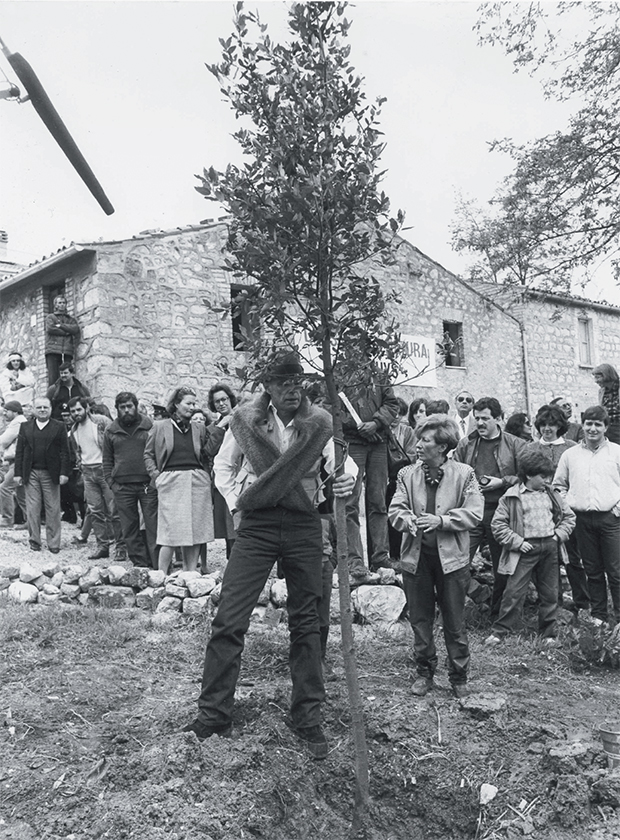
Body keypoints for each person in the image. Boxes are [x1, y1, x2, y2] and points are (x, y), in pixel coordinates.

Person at [184, 354, 357, 758]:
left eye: (298, 381)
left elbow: (340, 466)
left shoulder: (319, 424)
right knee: (229, 617)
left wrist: (345, 481)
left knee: (308, 621)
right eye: (284, 382)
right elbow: (222, 468)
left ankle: (308, 718)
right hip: (257, 525)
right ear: (269, 386)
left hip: (302, 524)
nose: (293, 389)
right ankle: (213, 716)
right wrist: (238, 508)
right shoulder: (244, 421)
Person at [388, 414, 483, 698]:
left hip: (452, 561)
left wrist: (441, 521)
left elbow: (475, 512)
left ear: (442, 446)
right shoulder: (407, 474)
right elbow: (395, 508)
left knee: (454, 620)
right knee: (420, 619)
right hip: (416, 560)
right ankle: (424, 672)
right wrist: (409, 520)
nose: (418, 445)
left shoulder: (465, 474)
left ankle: (459, 676)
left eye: (425, 440)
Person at [485, 449, 575, 646]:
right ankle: (500, 631)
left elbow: (569, 517)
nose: (546, 480)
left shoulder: (552, 494)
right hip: (524, 550)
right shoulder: (511, 496)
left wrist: (558, 536)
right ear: (528, 475)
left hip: (550, 547)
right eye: (542, 476)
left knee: (550, 592)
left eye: (548, 476)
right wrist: (517, 542)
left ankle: (549, 634)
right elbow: (498, 525)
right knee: (514, 592)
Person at [453, 397, 528, 620]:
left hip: (503, 514)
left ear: (498, 419)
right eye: (477, 418)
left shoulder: (516, 445)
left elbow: (526, 477)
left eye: (485, 418)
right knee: (456, 565)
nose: (480, 423)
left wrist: (502, 482)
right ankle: (478, 597)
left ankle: (498, 618)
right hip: (472, 512)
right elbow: (455, 474)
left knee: (503, 569)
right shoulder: (466, 444)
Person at [553, 405, 620, 624]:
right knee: (592, 570)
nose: (592, 429)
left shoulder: (617, 452)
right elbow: (558, 485)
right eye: (589, 424)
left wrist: (616, 511)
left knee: (616, 571)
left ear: (605, 427)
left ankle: (619, 616)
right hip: (581, 521)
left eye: (597, 424)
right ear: (582, 426)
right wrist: (568, 507)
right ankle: (599, 615)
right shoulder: (570, 455)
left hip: (611, 520)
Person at [144, 386, 214, 574]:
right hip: (171, 480)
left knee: (195, 530)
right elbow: (148, 455)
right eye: (188, 403)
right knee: (170, 531)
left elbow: (206, 455)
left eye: (194, 403)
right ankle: (161, 575)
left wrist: (206, 476)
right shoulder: (159, 426)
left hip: (197, 480)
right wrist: (156, 476)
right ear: (176, 404)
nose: (192, 407)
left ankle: (190, 573)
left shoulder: (198, 428)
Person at [531, 404, 590, 612]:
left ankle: (582, 601)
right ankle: (552, 602)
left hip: (567, 510)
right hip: (539, 511)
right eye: (544, 425)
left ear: (560, 426)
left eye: (552, 425)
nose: (547, 429)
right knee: (547, 559)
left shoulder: (572, 448)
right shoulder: (530, 449)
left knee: (573, 556)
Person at [341, 375, 399, 577]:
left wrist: (375, 423)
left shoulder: (379, 375)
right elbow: (331, 407)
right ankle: (354, 560)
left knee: (378, 502)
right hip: (351, 443)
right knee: (349, 502)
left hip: (378, 443)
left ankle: (380, 557)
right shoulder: (339, 373)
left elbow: (391, 404)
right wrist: (357, 426)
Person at [103, 392, 158, 568]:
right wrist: (112, 483)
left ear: (135, 406)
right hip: (122, 487)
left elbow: (157, 453)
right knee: (129, 528)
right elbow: (107, 460)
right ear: (117, 409)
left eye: (129, 406)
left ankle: (157, 564)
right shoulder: (111, 430)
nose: (126, 410)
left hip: (147, 485)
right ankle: (140, 564)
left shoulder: (149, 426)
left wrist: (155, 479)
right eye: (122, 407)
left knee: (153, 526)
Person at [68, 396, 126, 562]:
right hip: (88, 471)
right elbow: (77, 450)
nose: (76, 413)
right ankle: (102, 546)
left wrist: (116, 465)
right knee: (95, 511)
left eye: (79, 409)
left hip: (105, 469)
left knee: (114, 510)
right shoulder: (73, 429)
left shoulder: (101, 422)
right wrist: (81, 465)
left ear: (86, 408)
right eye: (73, 411)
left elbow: (117, 440)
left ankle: (121, 547)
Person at [14, 396, 70, 553]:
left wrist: (64, 473)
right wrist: (18, 473)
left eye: (45, 407)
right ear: (33, 409)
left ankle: (53, 543)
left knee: (53, 508)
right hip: (30, 472)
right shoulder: (25, 427)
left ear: (51, 409)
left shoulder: (59, 427)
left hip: (51, 473)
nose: (42, 410)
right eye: (39, 407)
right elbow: (19, 452)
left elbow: (65, 452)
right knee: (33, 507)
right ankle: (35, 540)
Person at [206, 382, 238, 559]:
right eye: (217, 401)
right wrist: (220, 427)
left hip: (243, 478)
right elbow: (209, 450)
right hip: (223, 481)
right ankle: (232, 562)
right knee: (228, 526)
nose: (221, 404)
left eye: (224, 399)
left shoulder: (243, 419)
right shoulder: (212, 428)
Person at [386, 397, 417, 563]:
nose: (396, 417)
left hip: (402, 479)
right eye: (394, 413)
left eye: (400, 413)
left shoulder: (407, 431)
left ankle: (399, 554)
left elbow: (411, 454)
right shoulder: (382, 430)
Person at [0, 400, 27, 528]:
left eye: (7, 411)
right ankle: (31, 520)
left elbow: (3, 441)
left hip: (17, 461)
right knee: (21, 492)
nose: (4, 413)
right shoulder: (18, 421)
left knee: (5, 488)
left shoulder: (18, 422)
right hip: (17, 461)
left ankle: (7, 519)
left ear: (15, 412)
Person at [45, 295, 80, 385]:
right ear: (55, 305)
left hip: (67, 351)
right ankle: (53, 397)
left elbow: (75, 329)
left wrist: (61, 325)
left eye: (64, 303)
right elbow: (51, 329)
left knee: (67, 376)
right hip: (53, 350)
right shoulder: (51, 317)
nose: (62, 305)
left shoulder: (70, 319)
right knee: (53, 377)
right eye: (59, 303)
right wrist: (66, 332)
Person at [593, 363, 620, 445]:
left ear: (607, 375)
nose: (596, 381)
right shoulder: (602, 391)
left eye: (598, 377)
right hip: (608, 428)